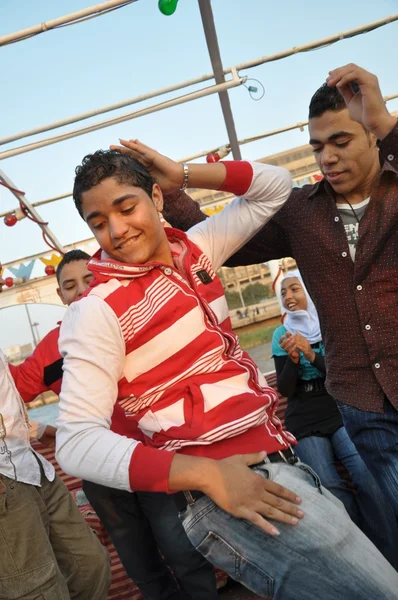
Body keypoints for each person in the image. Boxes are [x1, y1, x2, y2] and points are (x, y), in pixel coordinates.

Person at [53, 140, 398, 600]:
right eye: (99, 223)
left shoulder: (194, 252)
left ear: (156, 198)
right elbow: (75, 442)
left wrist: (186, 173)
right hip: (228, 489)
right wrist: (206, 475)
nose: (116, 230)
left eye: (126, 207)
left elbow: (274, 187)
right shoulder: (95, 310)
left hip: (276, 467)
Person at [161, 63, 398, 518]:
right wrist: (175, 188)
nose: (327, 157)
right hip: (362, 402)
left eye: (341, 141)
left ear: (371, 135)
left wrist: (386, 120)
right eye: (317, 147)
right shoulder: (300, 213)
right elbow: (217, 240)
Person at [5, 250, 218, 600]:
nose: (80, 290)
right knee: (139, 561)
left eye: (88, 280)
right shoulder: (52, 349)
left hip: (151, 459)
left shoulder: (134, 322)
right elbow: (15, 389)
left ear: (102, 278)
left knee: (182, 549)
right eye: (70, 286)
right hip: (101, 471)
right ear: (60, 296)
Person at [272, 270, 397, 567]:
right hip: (303, 414)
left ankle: (389, 555)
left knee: (367, 476)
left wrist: (311, 355)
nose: (288, 297)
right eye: (283, 293)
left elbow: (340, 373)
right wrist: (292, 361)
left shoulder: (330, 324)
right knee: (328, 484)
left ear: (310, 293)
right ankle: (359, 554)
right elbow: (286, 389)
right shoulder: (281, 335)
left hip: (338, 404)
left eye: (294, 290)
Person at [0, 348, 111, 600]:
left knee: (90, 565)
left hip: (30, 465)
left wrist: (35, 429)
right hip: (5, 481)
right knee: (39, 590)